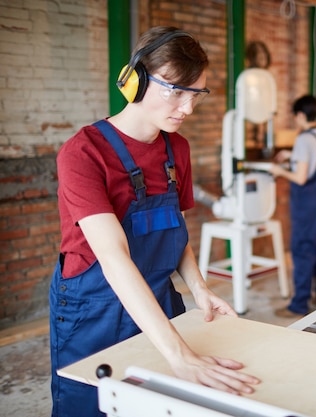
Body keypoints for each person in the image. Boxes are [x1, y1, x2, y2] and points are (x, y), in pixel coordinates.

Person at [50, 26, 259, 417]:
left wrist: (198, 287)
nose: (187, 108)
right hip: (94, 308)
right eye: (176, 91)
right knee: (90, 405)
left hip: (158, 296)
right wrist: (180, 353)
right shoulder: (83, 153)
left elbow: (173, 229)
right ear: (136, 80)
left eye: (195, 94)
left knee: (157, 405)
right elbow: (114, 258)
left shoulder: (175, 147)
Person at [269, 95, 316, 318]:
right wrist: (292, 154)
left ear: (299, 115)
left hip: (306, 201)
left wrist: (279, 171)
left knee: (303, 249)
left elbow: (300, 177)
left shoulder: (303, 140)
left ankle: (299, 304)